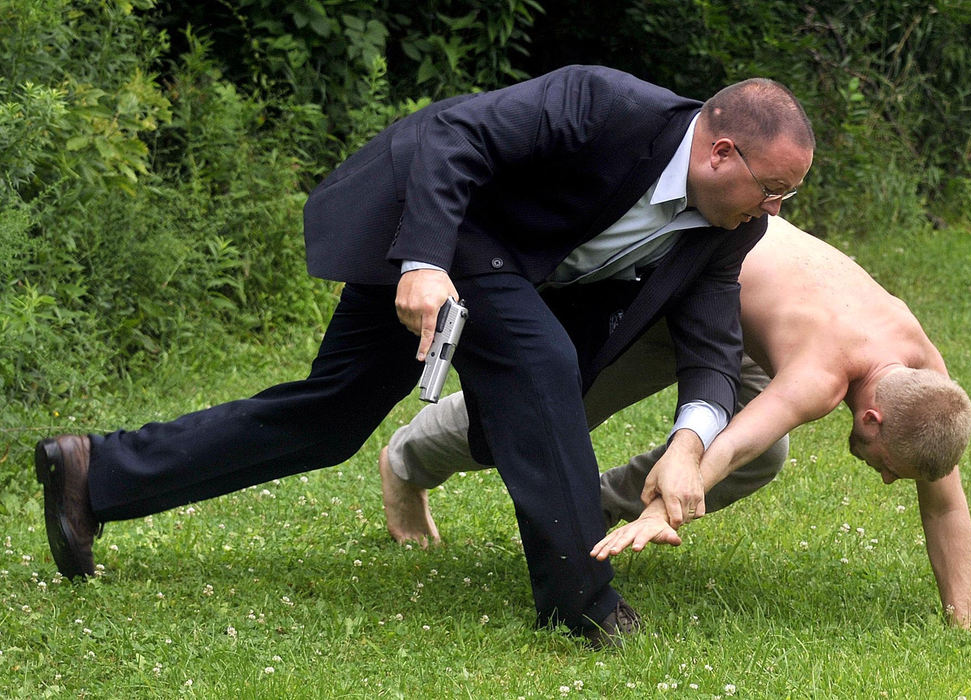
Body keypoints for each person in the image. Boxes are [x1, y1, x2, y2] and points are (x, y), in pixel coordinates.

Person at [33, 65, 815, 648]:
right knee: (536, 362)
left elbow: (710, 344)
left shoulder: (731, 228)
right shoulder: (604, 105)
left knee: (328, 418)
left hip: (499, 268)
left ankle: (94, 474)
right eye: (772, 190)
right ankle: (584, 601)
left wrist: (689, 444)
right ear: (719, 153)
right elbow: (453, 133)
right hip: (438, 232)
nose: (775, 211)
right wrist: (420, 261)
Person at [380, 215, 971, 628]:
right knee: (540, 417)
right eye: (889, 468)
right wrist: (661, 510)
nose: (886, 480)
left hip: (751, 316)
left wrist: (962, 622)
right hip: (687, 287)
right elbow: (729, 447)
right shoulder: (821, 378)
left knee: (770, 457)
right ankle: (404, 462)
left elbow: (945, 500)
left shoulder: (925, 379)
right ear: (871, 418)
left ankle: (582, 510)